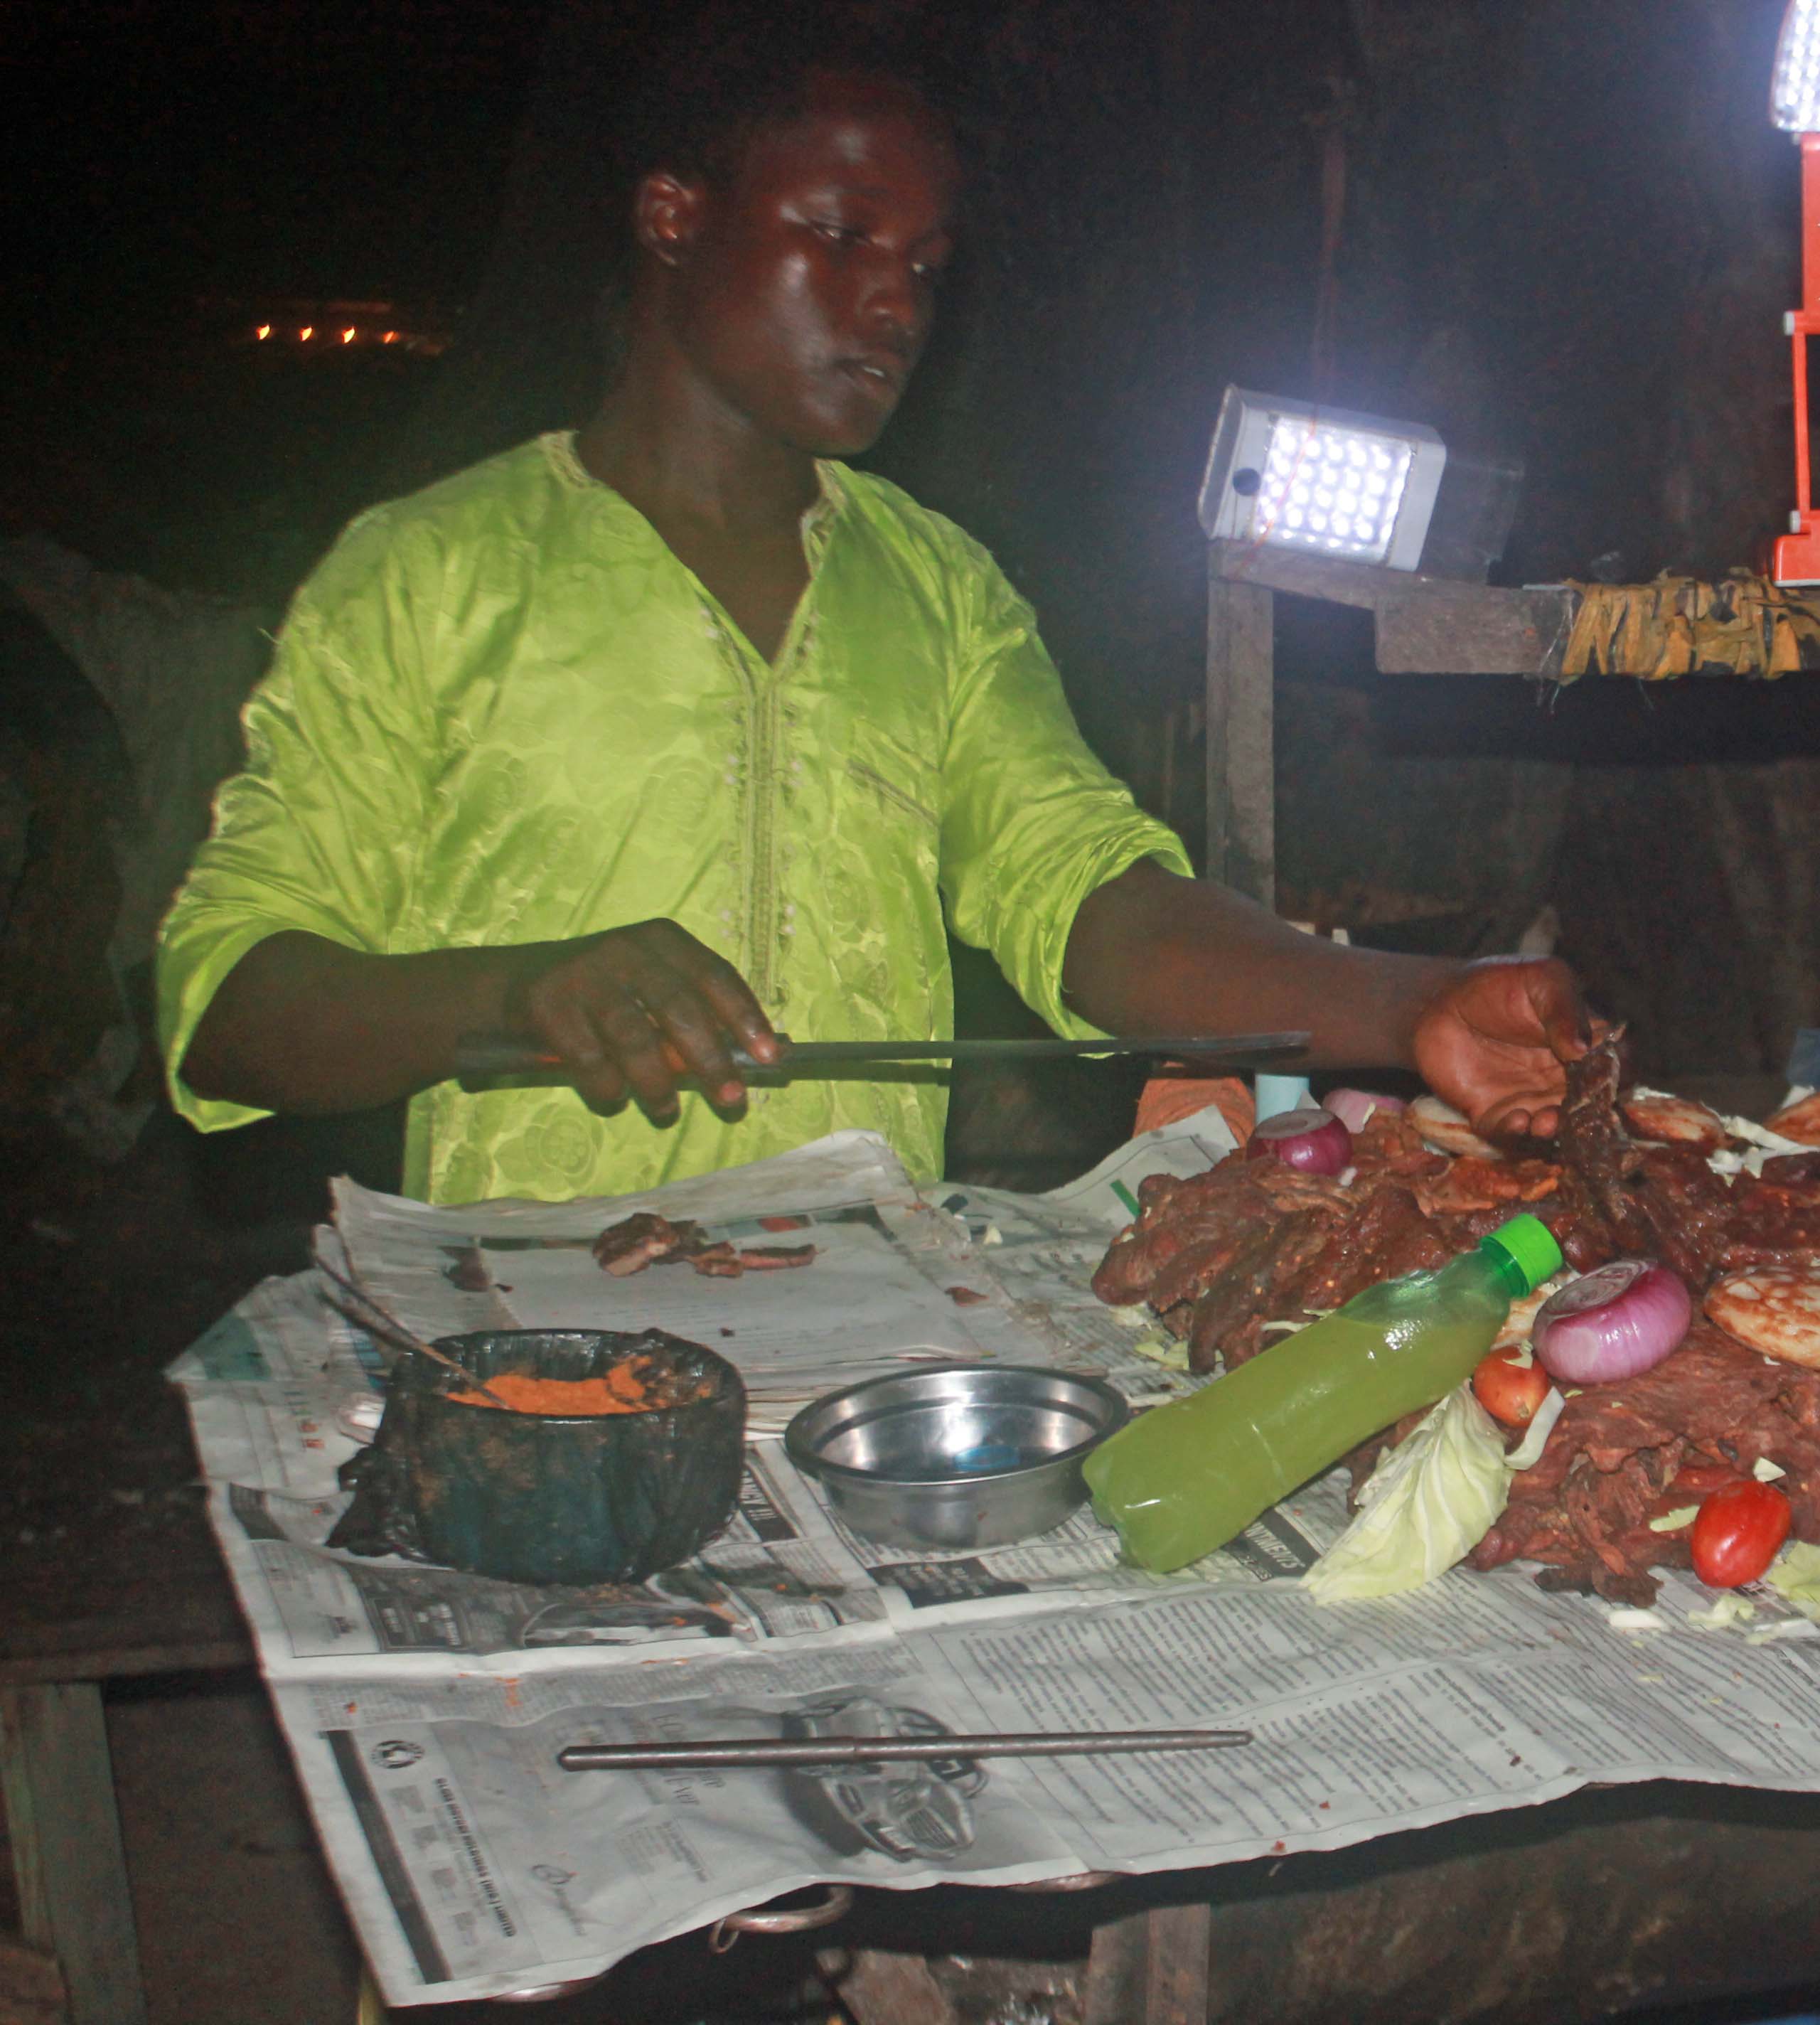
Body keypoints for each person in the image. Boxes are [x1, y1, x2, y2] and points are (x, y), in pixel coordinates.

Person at [157, 9, 1580, 1206]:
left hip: (870, 1330)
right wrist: (518, 989)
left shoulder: (940, 589)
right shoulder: (431, 571)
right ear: (674, 216)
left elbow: (1089, 900)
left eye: (926, 266)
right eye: (841, 234)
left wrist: (1407, 1003)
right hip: (538, 1352)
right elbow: (230, 1004)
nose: (894, 302)